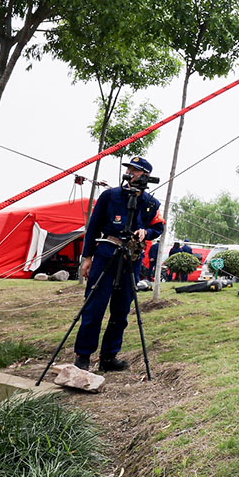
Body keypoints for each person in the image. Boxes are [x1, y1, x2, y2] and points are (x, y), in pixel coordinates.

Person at [73, 157, 164, 372]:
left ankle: (109, 357)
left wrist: (146, 232)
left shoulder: (151, 203)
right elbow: (93, 226)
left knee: (121, 310)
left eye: (136, 170)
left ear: (146, 176)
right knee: (94, 306)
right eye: (129, 169)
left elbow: (158, 227)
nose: (131, 173)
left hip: (131, 258)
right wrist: (87, 257)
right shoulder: (110, 196)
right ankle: (83, 356)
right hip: (106, 253)